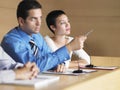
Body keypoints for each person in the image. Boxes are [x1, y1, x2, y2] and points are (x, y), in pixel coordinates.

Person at [1, 0, 86, 72]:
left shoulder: (37, 36)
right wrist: (69, 47)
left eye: (40, 18)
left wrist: (57, 65)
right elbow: (34, 66)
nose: (39, 23)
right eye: (33, 19)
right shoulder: (11, 40)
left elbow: (49, 56)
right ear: (21, 21)